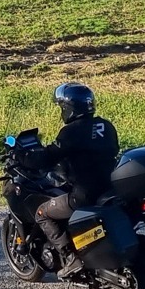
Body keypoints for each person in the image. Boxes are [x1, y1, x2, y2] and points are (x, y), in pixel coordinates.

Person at [34, 82, 120, 274]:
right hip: (112, 188)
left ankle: (70, 258)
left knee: (42, 213)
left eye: (61, 107)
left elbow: (48, 156)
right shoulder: (106, 126)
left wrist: (24, 157)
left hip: (84, 195)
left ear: (68, 108)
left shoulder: (71, 132)